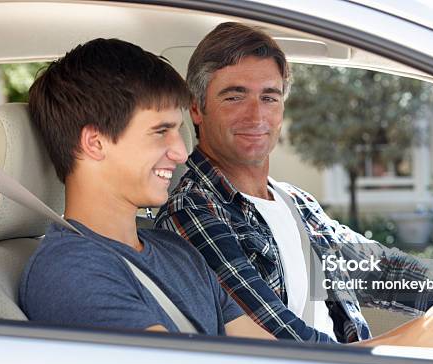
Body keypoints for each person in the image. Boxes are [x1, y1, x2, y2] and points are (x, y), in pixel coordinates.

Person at [154, 22, 433, 348]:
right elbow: (286, 348)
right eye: (235, 96)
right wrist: (419, 336)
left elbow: (382, 269)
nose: (256, 115)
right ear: (197, 109)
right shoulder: (194, 211)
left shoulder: (294, 201)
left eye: (269, 97)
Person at [19, 38, 274, 340]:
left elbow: (270, 355)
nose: (181, 153)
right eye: (161, 131)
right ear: (95, 142)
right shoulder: (70, 271)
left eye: (177, 131)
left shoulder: (177, 251)